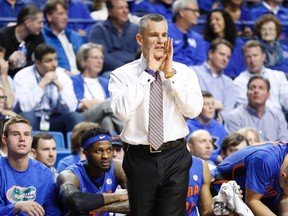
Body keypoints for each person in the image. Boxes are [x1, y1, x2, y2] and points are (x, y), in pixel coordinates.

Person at [109, 13, 203, 216]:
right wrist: (148, 74)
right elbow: (121, 112)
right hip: (139, 157)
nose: (161, 41)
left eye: (164, 35)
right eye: (154, 35)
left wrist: (170, 75)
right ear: (140, 39)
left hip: (175, 155)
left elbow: (193, 110)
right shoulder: (122, 75)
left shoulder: (184, 72)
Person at [57, 127, 129, 215]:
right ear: (85, 154)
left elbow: (137, 202)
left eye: (109, 150)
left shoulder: (117, 168)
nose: (105, 156)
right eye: (99, 151)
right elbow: (73, 200)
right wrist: (117, 196)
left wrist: (99, 207)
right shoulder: (70, 174)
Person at [13, 43, 83, 134]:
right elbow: (25, 107)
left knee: (76, 117)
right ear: (37, 62)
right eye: (48, 61)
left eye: (55, 59)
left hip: (54, 119)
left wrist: (60, 88)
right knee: (27, 116)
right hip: (34, 118)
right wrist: (42, 84)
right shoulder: (23, 76)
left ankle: (76, 148)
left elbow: (71, 108)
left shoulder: (62, 75)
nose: (54, 65)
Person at [0, 115, 61, 215]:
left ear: (31, 140)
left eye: (27, 134)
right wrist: (16, 206)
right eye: (15, 134)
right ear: (5, 139)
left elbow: (52, 212)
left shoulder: (45, 174)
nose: (22, 139)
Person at [213, 141, 288, 215]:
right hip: (223, 183)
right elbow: (252, 201)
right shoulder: (266, 161)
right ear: (283, 175)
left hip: (260, 194)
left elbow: (284, 202)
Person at [72, 43, 124, 134]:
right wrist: (101, 104)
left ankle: (112, 146)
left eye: (101, 58)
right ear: (83, 61)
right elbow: (82, 104)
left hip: (103, 116)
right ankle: (131, 136)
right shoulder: (74, 80)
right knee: (108, 104)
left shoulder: (106, 82)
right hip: (84, 117)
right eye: (95, 58)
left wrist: (95, 103)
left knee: (107, 120)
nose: (99, 61)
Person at [226, 75, 288, 141]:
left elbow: (284, 142)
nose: (256, 91)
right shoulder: (234, 117)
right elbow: (234, 146)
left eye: (261, 88)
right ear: (247, 93)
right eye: (252, 88)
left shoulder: (278, 116)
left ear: (268, 95)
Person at [234, 39, 288, 114]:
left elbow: (286, 99)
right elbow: (244, 107)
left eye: (255, 55)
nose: (252, 60)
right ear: (244, 59)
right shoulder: (238, 82)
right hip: (253, 120)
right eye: (248, 57)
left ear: (263, 56)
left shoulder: (278, 76)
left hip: (278, 119)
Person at [89, 0, 139, 77]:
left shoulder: (136, 29)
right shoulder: (99, 29)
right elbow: (103, 57)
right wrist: (125, 70)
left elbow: (141, 53)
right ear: (110, 12)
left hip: (135, 70)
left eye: (126, 7)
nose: (125, 11)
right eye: (120, 8)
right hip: (112, 71)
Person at [191, 38, 236, 119]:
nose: (225, 59)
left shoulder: (229, 83)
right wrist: (212, 105)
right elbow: (188, 100)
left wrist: (221, 117)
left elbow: (229, 111)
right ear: (210, 53)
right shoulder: (193, 72)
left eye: (228, 57)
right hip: (194, 121)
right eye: (222, 54)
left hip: (217, 124)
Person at [0, 4, 45, 78]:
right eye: (39, 22)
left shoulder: (38, 36)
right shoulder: (3, 35)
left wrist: (25, 63)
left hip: (29, 78)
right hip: (5, 78)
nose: (42, 26)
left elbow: (43, 58)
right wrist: (9, 60)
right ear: (28, 22)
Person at [42, 0, 83, 75]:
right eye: (61, 14)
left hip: (81, 77)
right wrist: (62, 73)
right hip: (58, 77)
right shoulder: (41, 37)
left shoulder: (75, 36)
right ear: (49, 17)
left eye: (66, 14)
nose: (65, 17)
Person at [186, 91, 228, 164]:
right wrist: (215, 158)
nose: (211, 107)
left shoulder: (220, 128)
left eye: (213, 104)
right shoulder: (187, 127)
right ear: (198, 107)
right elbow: (186, 153)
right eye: (206, 104)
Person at [204, 9, 245, 78]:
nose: (213, 22)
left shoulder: (238, 44)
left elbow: (243, 66)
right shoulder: (206, 44)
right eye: (211, 20)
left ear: (226, 21)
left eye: (217, 19)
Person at [168, 0, 206, 66]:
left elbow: (200, 63)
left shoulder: (198, 39)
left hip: (192, 73)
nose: (198, 15)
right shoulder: (165, 31)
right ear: (182, 12)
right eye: (194, 11)